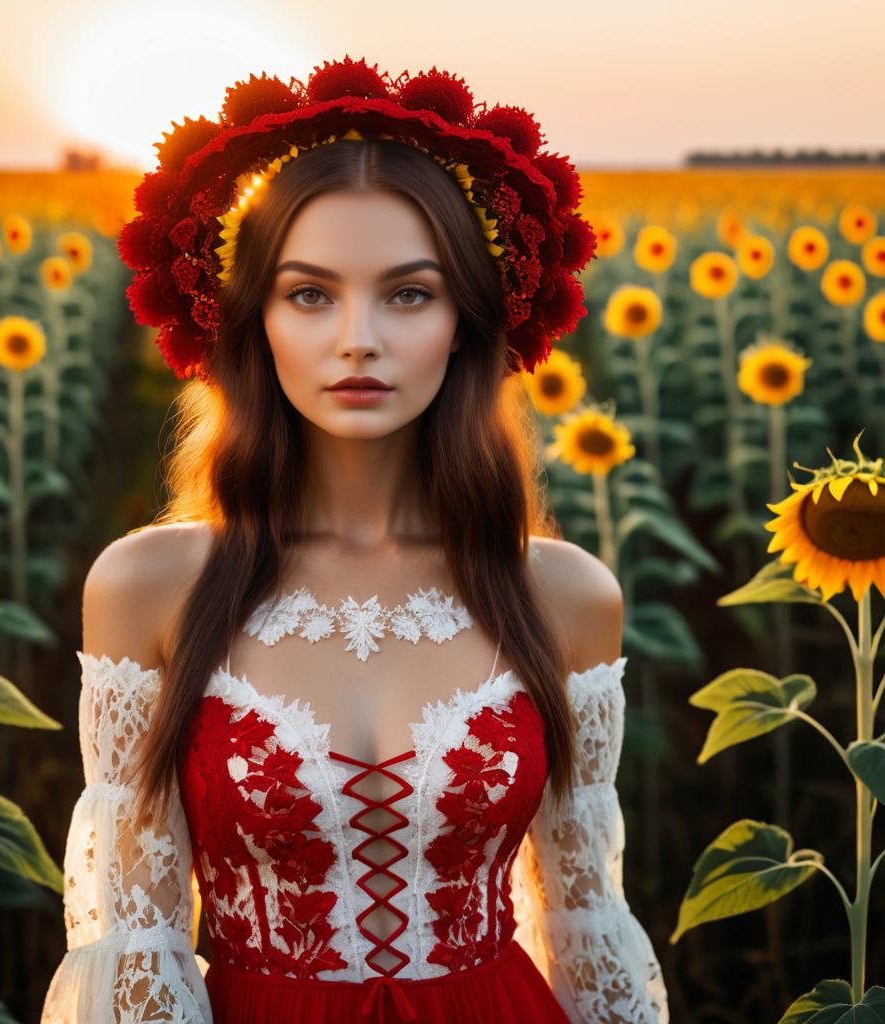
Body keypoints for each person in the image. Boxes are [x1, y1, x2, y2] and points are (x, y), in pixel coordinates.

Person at [40, 56, 669, 1024]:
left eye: (408, 294)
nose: (358, 338)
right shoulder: (150, 582)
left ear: (465, 321)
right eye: (309, 294)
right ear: (254, 323)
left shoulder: (565, 594)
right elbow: (136, 933)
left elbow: (584, 921)